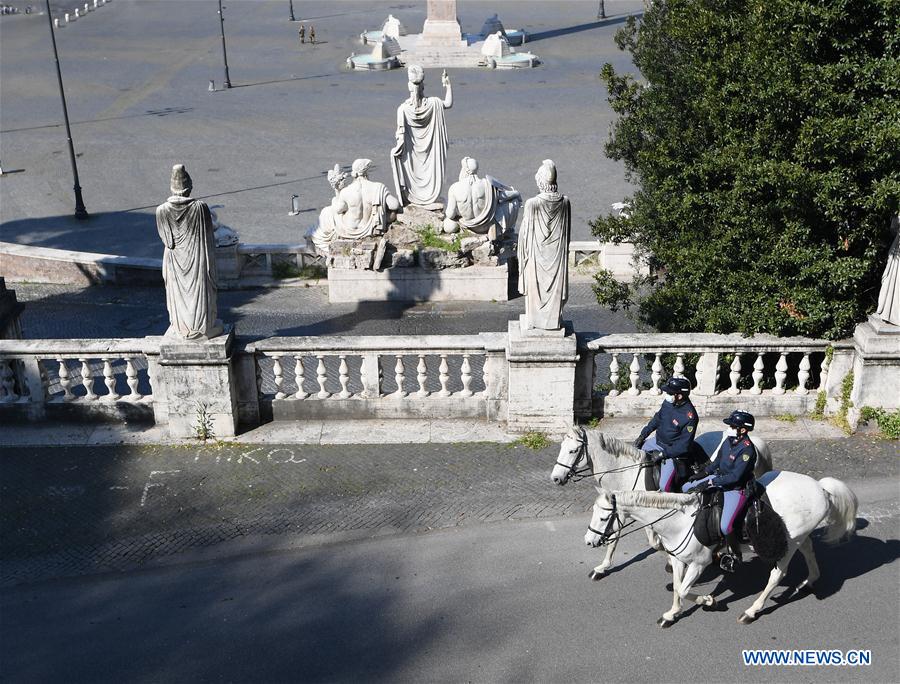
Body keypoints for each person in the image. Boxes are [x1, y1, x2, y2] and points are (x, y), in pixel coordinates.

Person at [682, 410, 758, 572]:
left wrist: (710, 482)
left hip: (736, 488)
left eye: (733, 426)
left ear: (743, 430)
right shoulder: (729, 441)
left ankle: (736, 555)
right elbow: (717, 462)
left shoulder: (747, 450)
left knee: (725, 526)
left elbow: (735, 477)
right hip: (718, 478)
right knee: (686, 488)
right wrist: (703, 474)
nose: (729, 429)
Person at [390, 65, 452, 207]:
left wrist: (395, 151)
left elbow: (400, 139)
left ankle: (413, 198)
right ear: (423, 86)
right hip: (431, 156)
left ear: (409, 87)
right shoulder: (434, 103)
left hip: (411, 158)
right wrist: (448, 85)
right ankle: (430, 197)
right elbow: (448, 103)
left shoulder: (403, 109)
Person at [633, 377, 698, 492]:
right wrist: (643, 435)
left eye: (670, 393)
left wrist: (663, 454)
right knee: (636, 455)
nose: (667, 395)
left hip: (672, 452)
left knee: (664, 487)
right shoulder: (668, 403)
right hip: (657, 441)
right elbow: (657, 419)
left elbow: (684, 445)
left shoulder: (690, 417)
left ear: (679, 396)